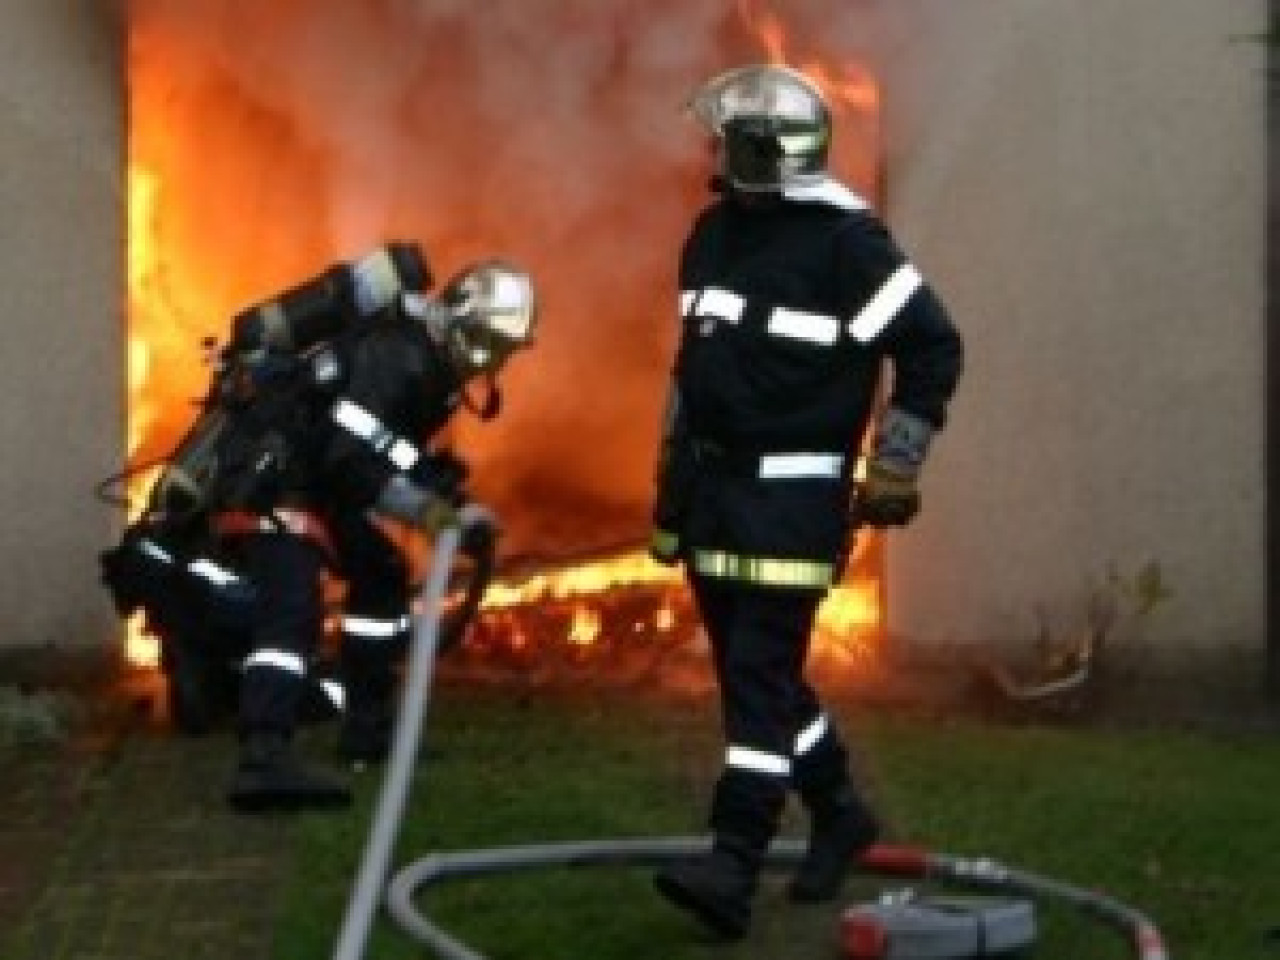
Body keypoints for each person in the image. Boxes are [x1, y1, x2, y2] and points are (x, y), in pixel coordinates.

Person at [649, 64, 964, 939]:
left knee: (756, 680)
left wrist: (896, 463)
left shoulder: (848, 245)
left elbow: (933, 348)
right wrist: (669, 495)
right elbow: (691, 373)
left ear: (762, 149)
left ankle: (733, 860)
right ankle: (838, 814)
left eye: (725, 137)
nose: (710, 150)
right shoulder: (711, 233)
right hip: (713, 495)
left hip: (793, 503)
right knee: (763, 682)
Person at [104, 244, 538, 813]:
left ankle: (368, 730)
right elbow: (351, 459)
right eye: (489, 346)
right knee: (291, 610)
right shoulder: (400, 357)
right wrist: (427, 513)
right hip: (278, 481)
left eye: (502, 352)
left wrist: (448, 501)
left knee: (381, 574)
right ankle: (263, 757)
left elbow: (387, 450)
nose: (491, 362)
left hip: (315, 480)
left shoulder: (426, 366)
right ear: (460, 326)